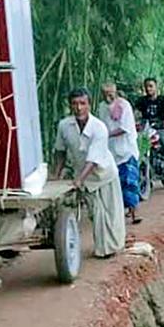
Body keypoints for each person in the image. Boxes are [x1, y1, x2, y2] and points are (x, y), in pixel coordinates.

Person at [50, 88, 125, 258]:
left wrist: (78, 180)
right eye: (75, 104)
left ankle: (111, 247)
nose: (78, 108)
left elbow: (93, 160)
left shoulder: (99, 128)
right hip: (83, 175)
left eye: (82, 103)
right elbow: (60, 151)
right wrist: (56, 174)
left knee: (111, 214)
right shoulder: (64, 126)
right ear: (70, 106)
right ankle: (103, 247)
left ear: (89, 105)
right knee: (95, 213)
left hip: (103, 174)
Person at [98, 82, 142, 225]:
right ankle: (121, 212)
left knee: (130, 181)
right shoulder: (102, 107)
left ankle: (135, 213)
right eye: (105, 94)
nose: (108, 96)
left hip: (126, 150)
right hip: (111, 152)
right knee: (116, 184)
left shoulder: (124, 105)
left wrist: (107, 134)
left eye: (110, 93)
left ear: (115, 92)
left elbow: (125, 127)